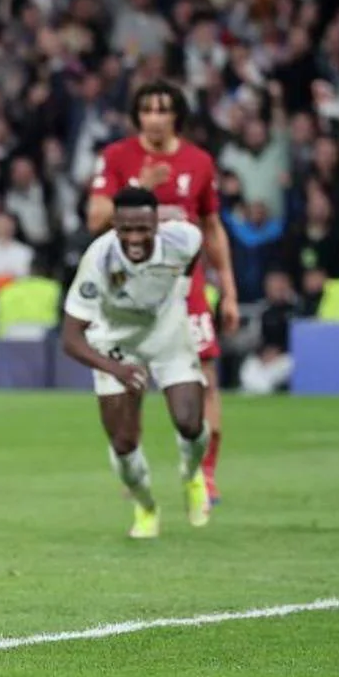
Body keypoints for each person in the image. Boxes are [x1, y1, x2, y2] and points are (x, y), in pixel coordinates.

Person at [87, 81, 239, 506]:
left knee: (205, 384)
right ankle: (134, 469)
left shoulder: (199, 162)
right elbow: (95, 218)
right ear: (138, 116)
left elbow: (212, 229)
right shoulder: (118, 158)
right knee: (130, 387)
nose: (155, 117)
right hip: (129, 297)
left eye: (163, 109)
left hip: (185, 293)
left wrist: (227, 290)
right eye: (147, 110)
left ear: (176, 115)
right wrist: (140, 184)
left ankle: (204, 476)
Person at [62, 186, 212, 539]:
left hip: (166, 332)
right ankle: (146, 506)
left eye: (143, 228)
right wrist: (116, 369)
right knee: (124, 442)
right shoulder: (98, 259)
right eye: (126, 229)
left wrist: (183, 289)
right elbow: (70, 339)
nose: (134, 237)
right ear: (114, 224)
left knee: (190, 423)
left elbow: (194, 253)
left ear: (156, 224)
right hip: (116, 344)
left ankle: (192, 474)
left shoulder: (184, 238)